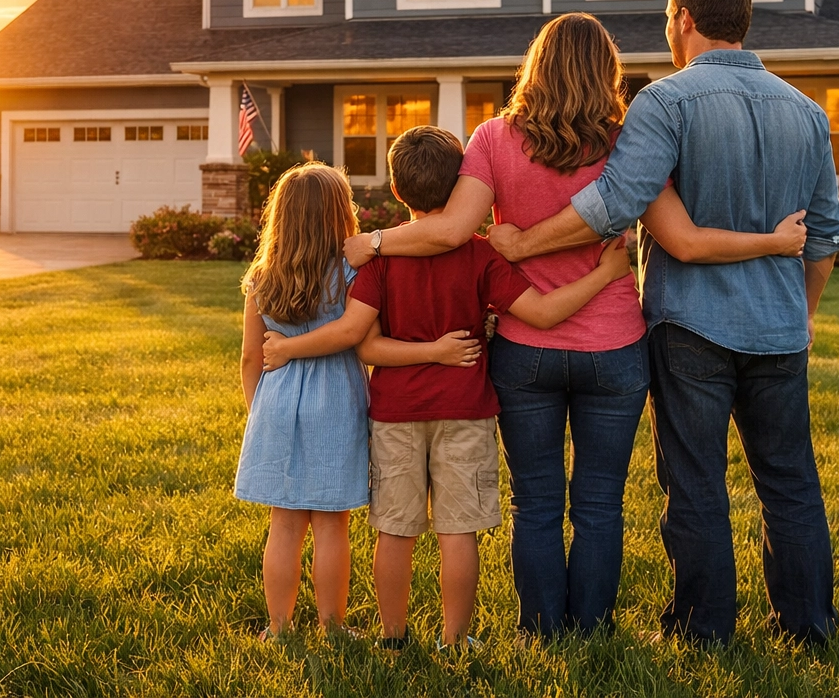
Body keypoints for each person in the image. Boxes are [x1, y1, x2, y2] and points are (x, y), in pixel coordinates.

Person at [339, 12, 808, 639]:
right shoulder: (629, 140)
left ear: (535, 65)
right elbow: (678, 236)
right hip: (614, 349)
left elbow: (452, 232)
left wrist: (370, 240)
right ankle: (589, 631)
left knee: (534, 502)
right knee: (598, 505)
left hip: (525, 349)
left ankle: (540, 631)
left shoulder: (493, 139)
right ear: (606, 72)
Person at [490, 0, 839, 646]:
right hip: (779, 329)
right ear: (743, 21)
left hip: (692, 328)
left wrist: (523, 242)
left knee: (696, 484)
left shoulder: (665, 103)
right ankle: (809, 629)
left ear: (683, 19)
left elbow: (615, 204)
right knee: (791, 483)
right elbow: (825, 236)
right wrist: (803, 314)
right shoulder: (807, 111)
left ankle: (701, 630)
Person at [261, 124, 634, 649]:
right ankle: (455, 640)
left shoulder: (381, 256)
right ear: (464, 182)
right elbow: (545, 313)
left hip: (394, 412)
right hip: (466, 408)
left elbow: (364, 345)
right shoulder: (481, 256)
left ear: (396, 191)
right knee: (457, 532)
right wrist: (605, 272)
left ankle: (393, 636)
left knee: (395, 531)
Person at [234, 162, 456, 639]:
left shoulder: (262, 277)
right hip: (335, 403)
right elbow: (361, 337)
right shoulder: (353, 272)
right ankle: (333, 627)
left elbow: (252, 356)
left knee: (285, 524)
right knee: (332, 524)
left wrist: (261, 412)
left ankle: (278, 628)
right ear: (341, 215)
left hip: (277, 402)